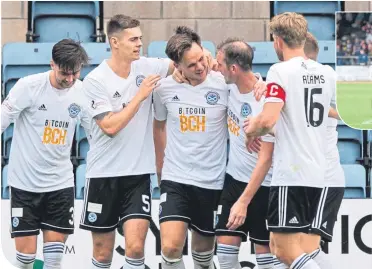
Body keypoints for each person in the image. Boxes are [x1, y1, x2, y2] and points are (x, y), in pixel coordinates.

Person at [243, 12, 337, 269]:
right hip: (317, 173)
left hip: (292, 172)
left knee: (285, 251)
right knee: (280, 245)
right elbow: (339, 112)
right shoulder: (326, 73)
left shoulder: (280, 71)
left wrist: (252, 129)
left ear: (278, 41)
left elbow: (268, 120)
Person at [1, 39, 89, 269]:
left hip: (59, 184)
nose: (70, 79)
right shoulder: (28, 86)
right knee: (26, 258)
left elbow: (97, 134)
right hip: (24, 184)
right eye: (65, 73)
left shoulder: (82, 93)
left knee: (53, 260)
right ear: (52, 64)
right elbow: (3, 118)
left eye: (75, 73)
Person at [153, 26, 229, 269]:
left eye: (201, 59)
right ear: (177, 67)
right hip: (176, 179)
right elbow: (159, 127)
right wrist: (161, 170)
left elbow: (249, 83)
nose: (199, 67)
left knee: (202, 254)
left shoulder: (223, 83)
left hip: (211, 181)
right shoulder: (164, 89)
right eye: (191, 64)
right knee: (171, 247)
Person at [212, 38, 275, 269]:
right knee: (226, 257)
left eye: (219, 64)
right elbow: (204, 63)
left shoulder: (267, 99)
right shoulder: (228, 85)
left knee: (266, 261)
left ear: (234, 69)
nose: (215, 68)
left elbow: (266, 159)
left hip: (263, 186)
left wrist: (243, 202)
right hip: (234, 180)